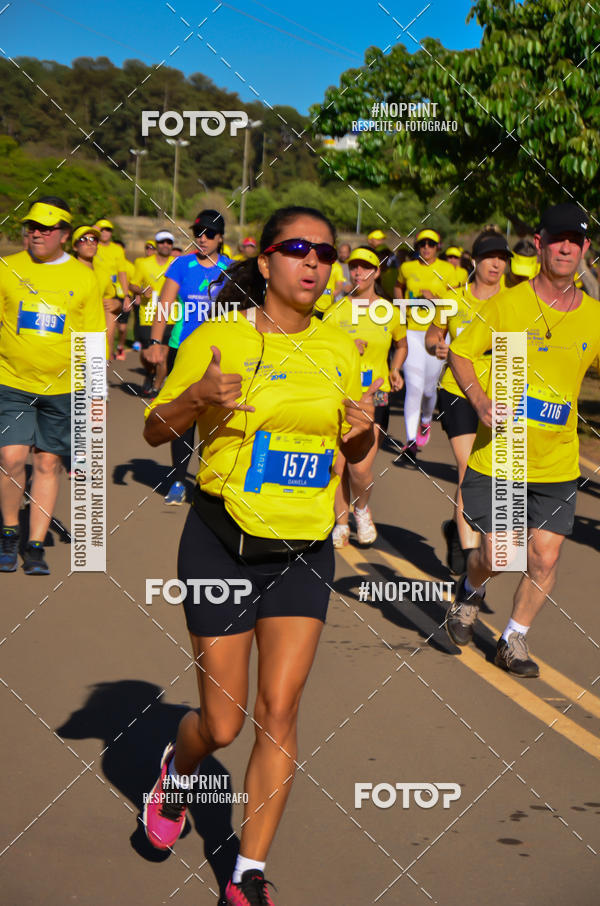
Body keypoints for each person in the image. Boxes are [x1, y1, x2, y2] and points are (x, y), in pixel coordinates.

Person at [142, 206, 377, 904]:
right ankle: (176, 773)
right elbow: (156, 430)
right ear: (267, 260)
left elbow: (356, 462)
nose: (314, 263)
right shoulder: (219, 337)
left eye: (326, 254)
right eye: (298, 249)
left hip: (302, 550)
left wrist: (362, 438)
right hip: (221, 540)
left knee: (281, 711)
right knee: (222, 723)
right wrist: (196, 396)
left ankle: (247, 873)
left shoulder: (340, 349)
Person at [446, 203, 600, 677]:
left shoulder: (593, 317)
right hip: (505, 456)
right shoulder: (507, 306)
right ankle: (470, 592)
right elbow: (460, 352)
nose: (566, 248)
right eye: (557, 239)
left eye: (575, 240)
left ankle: (514, 638)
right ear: (539, 244)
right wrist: (477, 399)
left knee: (546, 554)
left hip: (557, 461)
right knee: (498, 554)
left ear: (586, 249)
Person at [0, 197, 105, 574]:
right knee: (11, 458)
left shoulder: (83, 276)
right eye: (32, 227)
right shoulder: (7, 268)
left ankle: (35, 545)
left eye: (46, 228)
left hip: (65, 388)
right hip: (11, 382)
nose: (36, 233)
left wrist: (95, 396)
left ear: (64, 234)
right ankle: (10, 532)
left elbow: (94, 337)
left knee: (48, 463)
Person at [426, 230, 511, 574]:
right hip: (458, 390)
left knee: (495, 473)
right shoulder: (454, 299)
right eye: (490, 256)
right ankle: (467, 550)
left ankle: (455, 528)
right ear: (475, 261)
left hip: (501, 394)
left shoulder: (515, 301)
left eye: (502, 258)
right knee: (468, 468)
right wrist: (437, 346)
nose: (496, 264)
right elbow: (433, 334)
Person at [144, 210, 232, 505]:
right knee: (183, 416)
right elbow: (164, 306)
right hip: (183, 350)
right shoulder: (181, 265)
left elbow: (245, 311)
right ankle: (179, 480)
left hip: (220, 354)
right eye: (198, 232)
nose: (202, 238)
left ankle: (209, 481)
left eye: (209, 233)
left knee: (217, 417)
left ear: (220, 238)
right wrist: (156, 342)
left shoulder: (231, 269)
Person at [324, 247, 407, 546]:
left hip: (378, 396)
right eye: (354, 267)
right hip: (340, 395)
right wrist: (344, 349)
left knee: (360, 469)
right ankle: (341, 523)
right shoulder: (335, 311)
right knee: (337, 465)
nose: (358, 273)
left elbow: (402, 344)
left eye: (365, 268)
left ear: (377, 272)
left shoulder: (389, 311)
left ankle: (361, 509)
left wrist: (396, 369)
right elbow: (320, 350)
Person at [394, 228, 466, 457]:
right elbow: (398, 286)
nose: (426, 247)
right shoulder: (407, 268)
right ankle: (411, 440)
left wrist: (435, 300)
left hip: (437, 334)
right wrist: (400, 305)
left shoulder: (448, 270)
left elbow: (456, 301)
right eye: (422, 243)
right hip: (413, 334)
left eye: (431, 244)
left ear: (438, 247)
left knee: (427, 389)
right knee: (413, 387)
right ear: (417, 246)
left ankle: (426, 419)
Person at [128, 230, 177, 396]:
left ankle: (156, 387)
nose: (165, 245)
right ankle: (149, 372)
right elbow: (132, 285)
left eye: (169, 243)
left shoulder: (177, 264)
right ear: (157, 244)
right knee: (147, 354)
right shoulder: (143, 263)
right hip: (148, 315)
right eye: (162, 242)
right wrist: (141, 291)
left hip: (170, 316)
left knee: (163, 356)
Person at [72, 226, 118, 359]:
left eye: (94, 239)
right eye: (83, 239)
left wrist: (117, 304)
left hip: (96, 342)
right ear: (75, 246)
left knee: (94, 380)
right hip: (71, 339)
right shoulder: (66, 271)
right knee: (72, 379)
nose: (89, 242)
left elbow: (110, 306)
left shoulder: (103, 274)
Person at [94, 219, 131, 360]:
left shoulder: (117, 249)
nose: (104, 232)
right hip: (91, 295)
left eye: (108, 230)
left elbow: (122, 273)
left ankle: (105, 364)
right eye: (101, 229)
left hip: (110, 295)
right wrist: (91, 230)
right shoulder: (92, 245)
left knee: (108, 334)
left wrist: (127, 296)